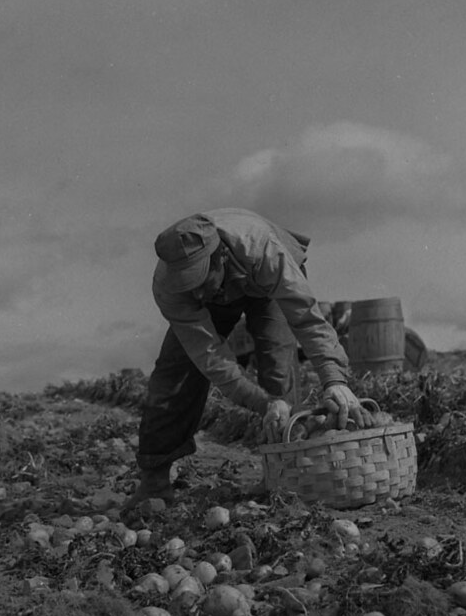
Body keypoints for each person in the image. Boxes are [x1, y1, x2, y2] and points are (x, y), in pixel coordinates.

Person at [129, 207, 370, 504]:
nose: (199, 294)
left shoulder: (265, 250)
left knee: (278, 363)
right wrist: (264, 403)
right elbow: (210, 358)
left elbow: (306, 318)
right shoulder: (170, 289)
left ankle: (284, 475)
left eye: (200, 281)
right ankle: (154, 481)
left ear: (221, 258)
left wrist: (335, 380)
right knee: (175, 372)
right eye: (188, 286)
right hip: (228, 286)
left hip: (264, 283)